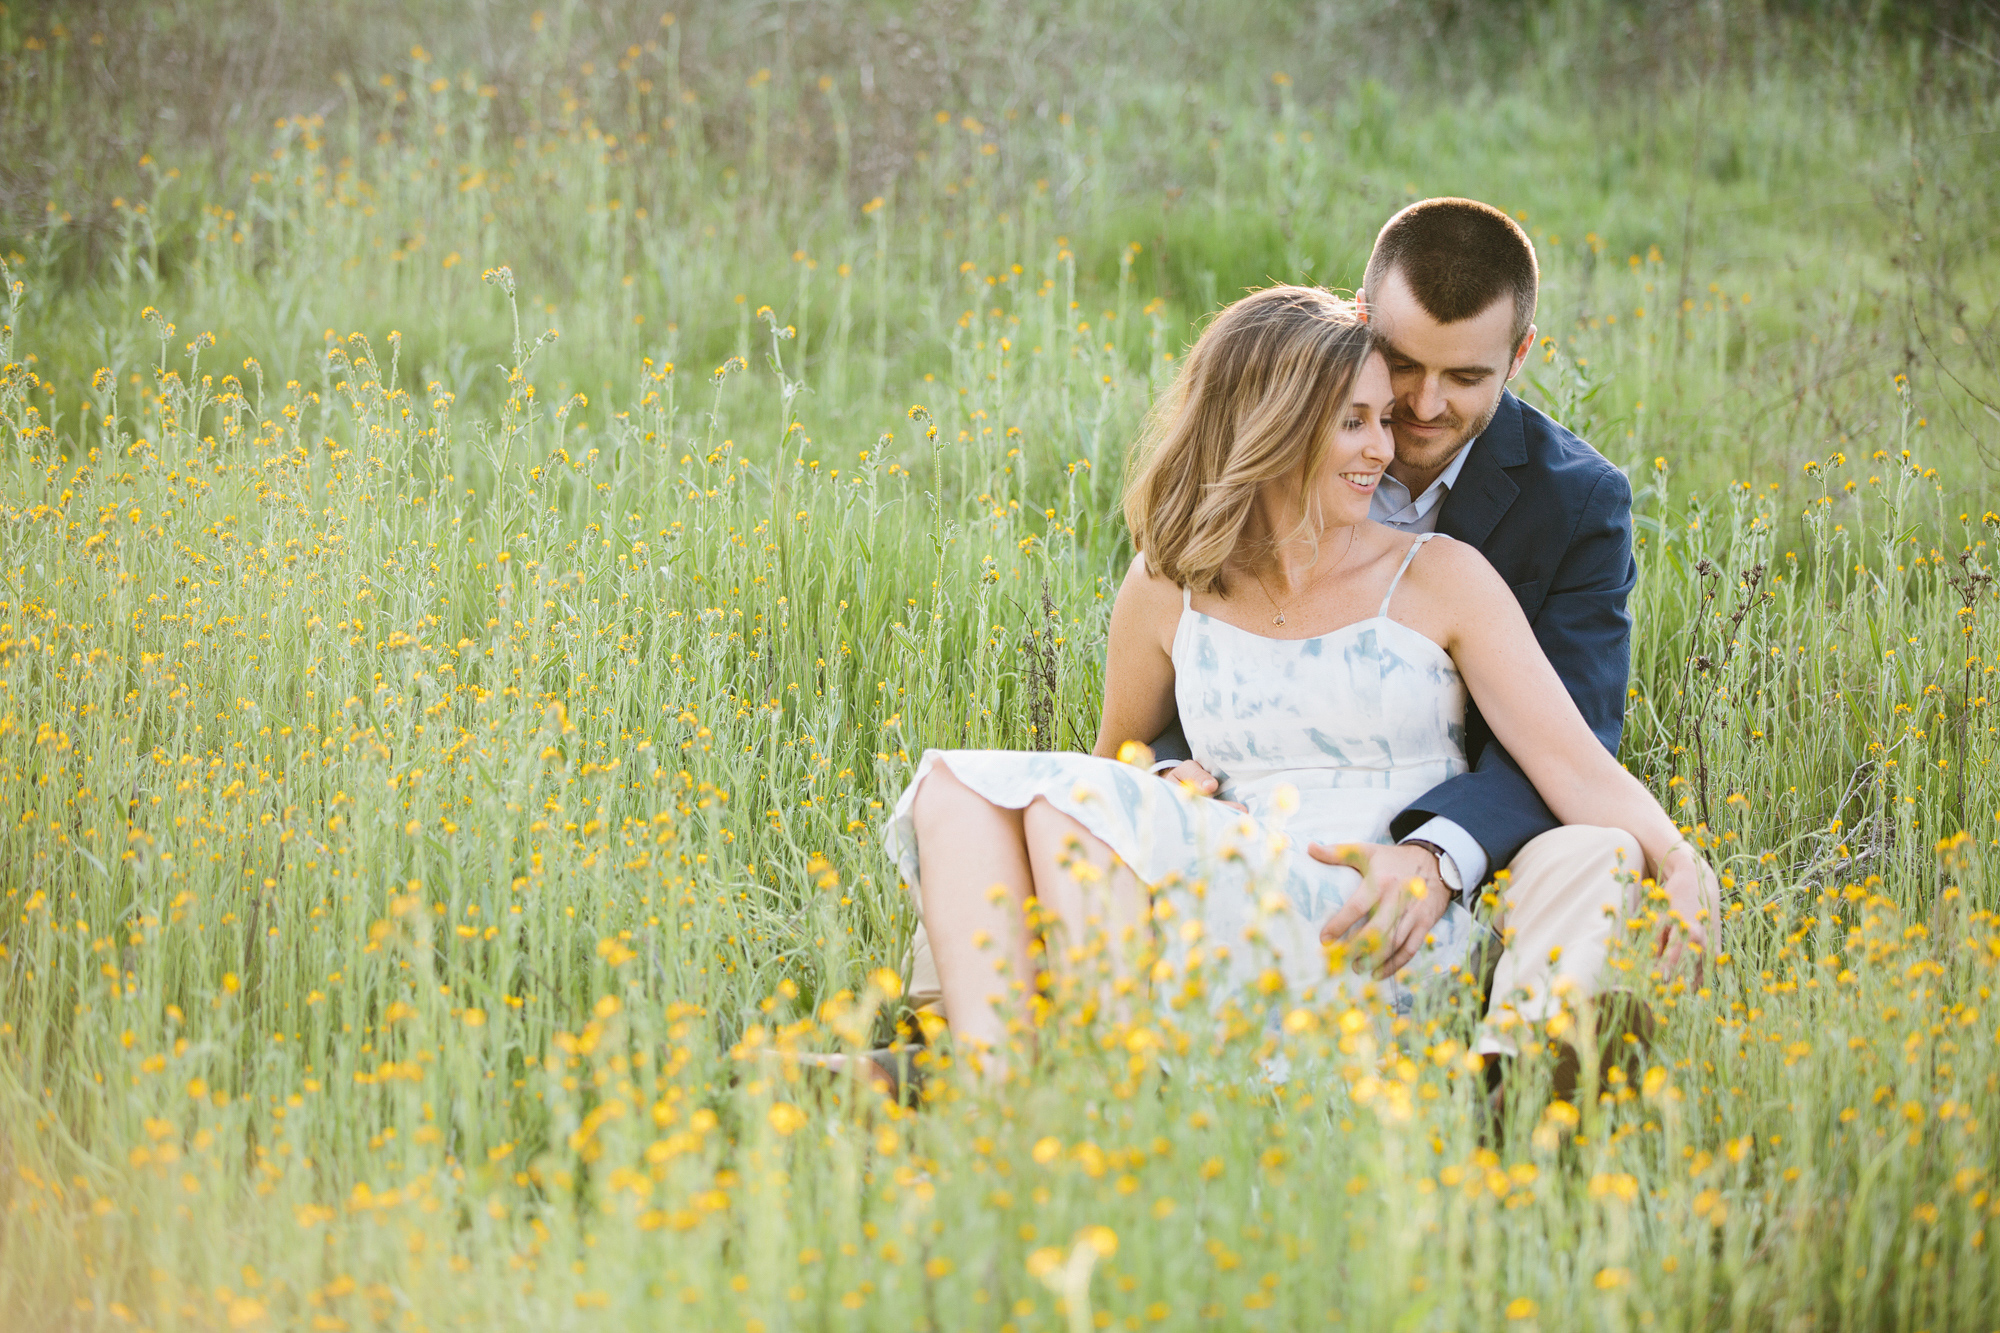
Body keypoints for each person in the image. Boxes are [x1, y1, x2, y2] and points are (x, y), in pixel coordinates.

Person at [900, 198, 1701, 1043]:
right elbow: (1133, 740)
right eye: (1391, 379)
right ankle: (988, 1063)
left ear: (1519, 357)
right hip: (1235, 836)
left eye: (1464, 378)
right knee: (980, 791)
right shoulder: (1184, 569)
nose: (1415, 414)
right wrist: (1163, 784)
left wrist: (1444, 854)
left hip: (1447, 845)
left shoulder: (1556, 511)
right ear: (1357, 329)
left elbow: (1574, 748)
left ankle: (1525, 1080)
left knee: (1597, 857)